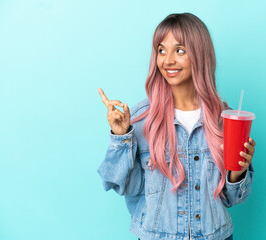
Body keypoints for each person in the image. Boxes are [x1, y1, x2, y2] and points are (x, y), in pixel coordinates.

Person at [97, 12, 256, 240]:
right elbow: (122, 185)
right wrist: (121, 137)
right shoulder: (142, 118)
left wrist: (238, 171)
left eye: (179, 50)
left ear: (199, 55)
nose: (168, 60)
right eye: (161, 50)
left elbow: (233, 199)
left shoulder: (223, 120)